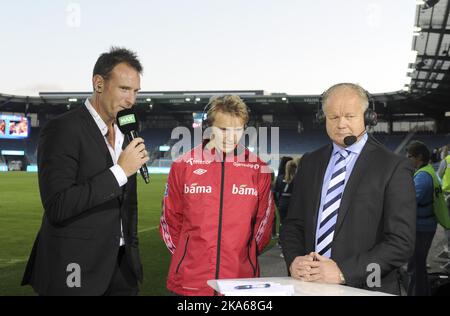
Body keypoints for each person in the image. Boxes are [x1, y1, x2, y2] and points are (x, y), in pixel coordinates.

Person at [21, 47, 149, 296]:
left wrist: (132, 251)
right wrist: (120, 171)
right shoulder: (63, 129)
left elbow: (127, 205)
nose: (131, 100)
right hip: (76, 267)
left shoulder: (126, 132)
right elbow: (58, 205)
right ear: (98, 83)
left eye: (135, 91)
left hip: (122, 267)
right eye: (124, 89)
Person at [280, 83, 416, 295]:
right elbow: (293, 224)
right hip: (308, 287)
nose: (341, 124)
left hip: (367, 288)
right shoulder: (309, 162)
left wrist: (343, 272)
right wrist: (294, 260)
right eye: (333, 117)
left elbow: (401, 243)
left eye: (350, 116)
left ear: (368, 117)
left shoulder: (394, 166)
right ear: (322, 118)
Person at [160, 95, 275, 296]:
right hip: (190, 281)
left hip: (240, 281)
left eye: (237, 130)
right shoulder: (183, 165)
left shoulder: (258, 168)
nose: (230, 137)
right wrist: (188, 256)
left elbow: (263, 225)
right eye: (223, 129)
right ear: (210, 127)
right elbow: (170, 220)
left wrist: (242, 256)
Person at [405, 141, 437, 296]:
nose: (407, 159)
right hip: (426, 226)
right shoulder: (427, 172)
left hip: (421, 228)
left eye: (410, 156)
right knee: (419, 266)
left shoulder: (423, 177)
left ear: (419, 157)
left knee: (415, 268)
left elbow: (408, 202)